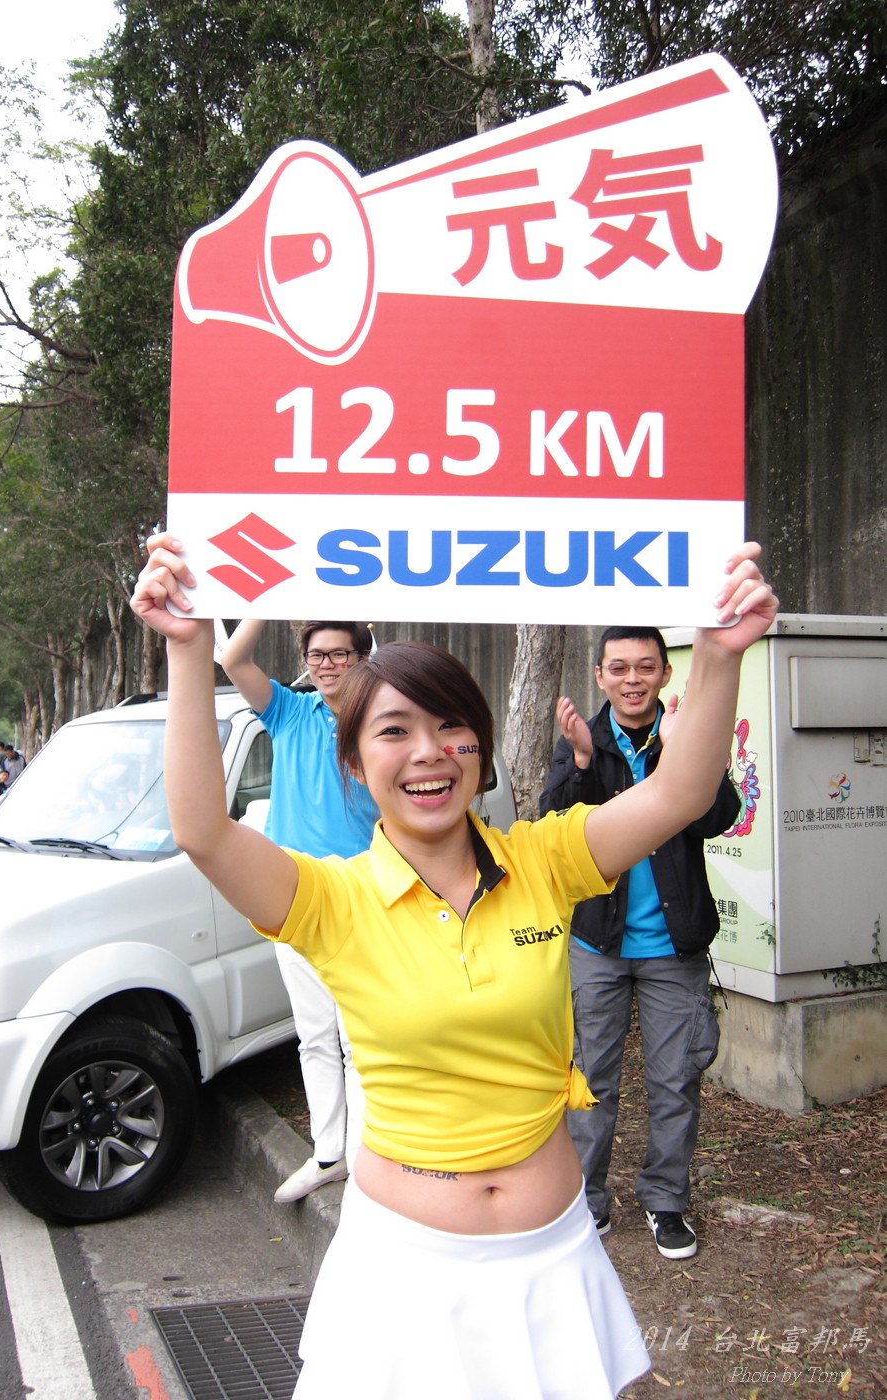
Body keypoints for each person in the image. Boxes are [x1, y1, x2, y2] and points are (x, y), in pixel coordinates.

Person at [131, 533, 776, 1400]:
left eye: (451, 727)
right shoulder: (330, 899)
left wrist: (723, 654)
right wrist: (187, 649)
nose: (429, 752)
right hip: (405, 1269)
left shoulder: (545, 860)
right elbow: (203, 832)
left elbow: (679, 794)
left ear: (481, 746)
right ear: (354, 761)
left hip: (553, 1257)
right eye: (394, 731)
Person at [538, 628, 741, 1263]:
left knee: (676, 1078)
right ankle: (586, 1201)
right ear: (600, 675)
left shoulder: (685, 733)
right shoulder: (583, 740)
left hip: (673, 948)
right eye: (619, 668)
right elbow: (550, 823)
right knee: (589, 1078)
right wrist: (578, 762)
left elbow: (719, 816)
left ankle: (666, 1200)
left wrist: (684, 753)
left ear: (665, 674)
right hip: (596, 942)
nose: (633, 679)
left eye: (645, 667)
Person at [221, 618, 380, 1202]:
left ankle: (365, 1162)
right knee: (313, 1036)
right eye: (317, 655)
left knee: (361, 1040)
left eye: (340, 654)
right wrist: (272, 597)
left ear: (362, 657)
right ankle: (329, 1153)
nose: (328, 665)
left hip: (360, 895)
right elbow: (233, 661)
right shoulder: (288, 711)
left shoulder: (378, 721)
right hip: (293, 896)